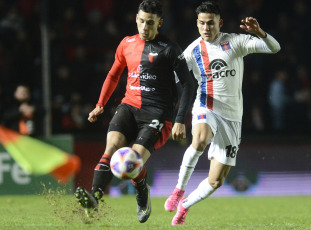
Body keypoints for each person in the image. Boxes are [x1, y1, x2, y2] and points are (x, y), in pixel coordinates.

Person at [74, 0, 194, 223]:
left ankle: (142, 191)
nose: (145, 27)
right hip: (128, 107)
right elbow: (113, 75)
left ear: (160, 23)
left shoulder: (170, 49)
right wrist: (100, 104)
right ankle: (95, 199)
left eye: (150, 23)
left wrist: (179, 120)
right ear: (136, 19)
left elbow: (187, 85)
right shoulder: (126, 43)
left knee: (132, 161)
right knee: (110, 149)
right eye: (141, 21)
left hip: (157, 115)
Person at [164, 1, 280, 225]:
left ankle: (185, 204)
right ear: (197, 24)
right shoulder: (193, 50)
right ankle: (178, 189)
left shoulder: (235, 41)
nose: (206, 28)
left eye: (211, 23)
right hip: (206, 105)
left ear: (220, 23)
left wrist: (260, 33)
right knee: (199, 140)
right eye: (202, 24)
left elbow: (274, 48)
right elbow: (174, 80)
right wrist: (174, 115)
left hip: (233, 117)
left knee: (216, 181)